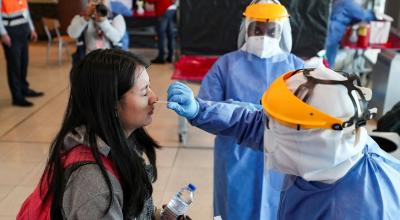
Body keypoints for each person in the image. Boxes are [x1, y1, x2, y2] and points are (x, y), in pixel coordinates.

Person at [167, 67, 400, 219]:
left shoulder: (368, 209)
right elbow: (255, 122)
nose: (266, 128)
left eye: (281, 126)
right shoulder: (326, 149)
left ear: (316, 138)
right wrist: (201, 110)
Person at [196, 1, 303, 219]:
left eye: (271, 30)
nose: (263, 36)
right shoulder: (225, 65)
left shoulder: (297, 69)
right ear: (247, 28)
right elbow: (204, 109)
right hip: (235, 155)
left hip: (282, 157)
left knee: (278, 208)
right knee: (234, 207)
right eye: (257, 29)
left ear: (282, 31)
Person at [37, 49, 162, 219]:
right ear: (112, 104)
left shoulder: (121, 139)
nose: (154, 97)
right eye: (144, 91)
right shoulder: (95, 185)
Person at [0, 0, 44, 107]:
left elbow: (26, 12)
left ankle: (24, 89)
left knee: (24, 63)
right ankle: (17, 97)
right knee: (14, 66)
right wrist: (3, 34)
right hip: (11, 32)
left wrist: (32, 29)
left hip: (23, 30)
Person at [325, 0, 376, 68]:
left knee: (325, 60)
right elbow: (363, 15)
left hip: (328, 30)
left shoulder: (338, 1)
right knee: (327, 63)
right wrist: (374, 13)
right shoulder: (347, 2)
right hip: (334, 32)